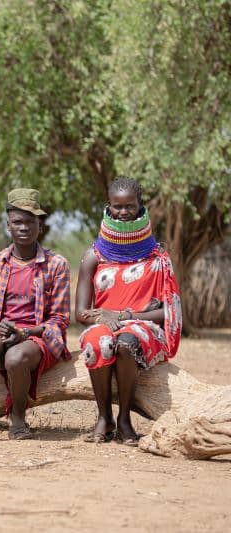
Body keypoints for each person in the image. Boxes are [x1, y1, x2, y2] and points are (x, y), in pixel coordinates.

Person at [75, 177, 181, 445]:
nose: (123, 213)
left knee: (125, 342)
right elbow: (80, 313)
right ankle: (104, 418)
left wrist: (125, 317)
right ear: (108, 207)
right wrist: (104, 316)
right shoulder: (94, 255)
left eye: (129, 206)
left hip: (143, 327)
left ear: (140, 205)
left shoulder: (157, 257)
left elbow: (168, 314)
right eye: (117, 206)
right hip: (105, 323)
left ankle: (124, 419)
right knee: (96, 341)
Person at [0, 189, 70, 440]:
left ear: (39, 226)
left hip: (37, 338)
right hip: (2, 332)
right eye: (17, 222)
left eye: (30, 222)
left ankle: (18, 420)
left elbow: (59, 319)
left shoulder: (57, 265)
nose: (24, 227)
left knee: (15, 357)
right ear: (8, 226)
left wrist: (26, 333)